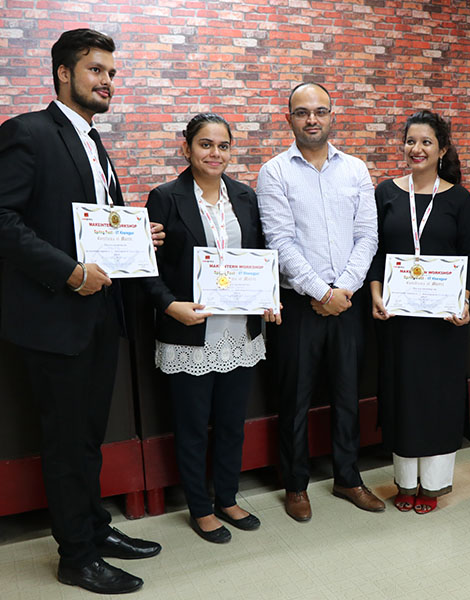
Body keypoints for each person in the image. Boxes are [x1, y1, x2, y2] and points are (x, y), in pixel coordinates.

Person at [0, 29, 163, 594]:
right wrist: (70, 272)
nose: (107, 81)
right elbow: (3, 222)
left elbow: (95, 227)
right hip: (53, 317)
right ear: (64, 73)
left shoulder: (94, 143)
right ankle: (76, 556)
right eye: (96, 70)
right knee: (67, 442)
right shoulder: (27, 132)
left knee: (89, 436)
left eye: (112, 73)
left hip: (98, 315)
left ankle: (94, 527)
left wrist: (139, 238)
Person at [143, 113, 280, 543]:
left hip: (238, 331)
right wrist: (169, 306)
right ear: (186, 148)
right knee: (191, 426)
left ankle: (228, 497)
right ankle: (200, 508)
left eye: (223, 146)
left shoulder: (244, 196)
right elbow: (148, 266)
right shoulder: (165, 197)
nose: (214, 153)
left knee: (231, 423)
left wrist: (269, 297)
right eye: (205, 144)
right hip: (190, 331)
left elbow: (260, 255)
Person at [256, 82, 383, 522]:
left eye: (320, 111)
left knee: (348, 394)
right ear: (288, 119)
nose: (312, 119)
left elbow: (367, 235)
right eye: (302, 112)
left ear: (332, 116)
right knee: (294, 397)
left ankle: (348, 477)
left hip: (347, 303)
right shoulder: (274, 172)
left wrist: (342, 290)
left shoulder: (356, 170)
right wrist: (321, 292)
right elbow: (279, 241)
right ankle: (295, 484)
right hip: (298, 306)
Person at [368, 110, 470, 514]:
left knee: (437, 399)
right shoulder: (386, 193)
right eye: (411, 141)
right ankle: (404, 482)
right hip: (398, 320)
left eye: (426, 142)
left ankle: (431, 486)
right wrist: (376, 294)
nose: (417, 149)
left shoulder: (458, 198)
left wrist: (464, 302)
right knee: (402, 396)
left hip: (443, 324)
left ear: (442, 149)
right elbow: (375, 251)